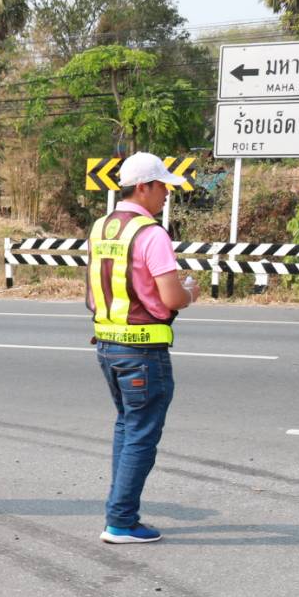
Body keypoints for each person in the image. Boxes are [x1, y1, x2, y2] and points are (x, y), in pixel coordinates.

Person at [87, 151, 199, 545]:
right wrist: (190, 292)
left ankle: (119, 515)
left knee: (127, 426)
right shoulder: (151, 234)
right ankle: (120, 521)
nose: (167, 194)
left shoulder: (101, 227)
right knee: (141, 435)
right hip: (143, 349)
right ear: (143, 187)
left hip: (108, 345)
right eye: (162, 186)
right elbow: (171, 297)